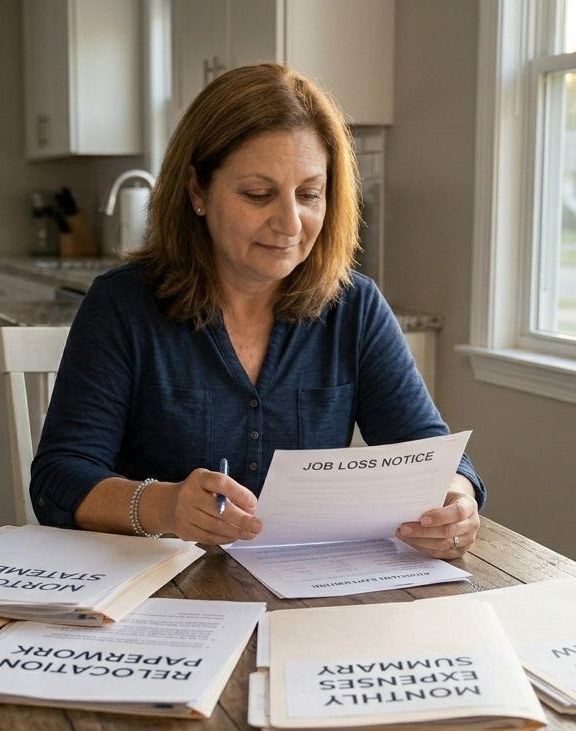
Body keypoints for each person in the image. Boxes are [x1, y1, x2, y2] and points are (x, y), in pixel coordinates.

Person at [28, 63, 484, 559]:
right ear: (196, 191)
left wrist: (455, 500)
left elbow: (430, 455)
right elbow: (60, 478)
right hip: (160, 592)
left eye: (309, 195)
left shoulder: (355, 307)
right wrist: (164, 505)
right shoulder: (123, 306)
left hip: (308, 592)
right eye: (258, 194)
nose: (290, 222)